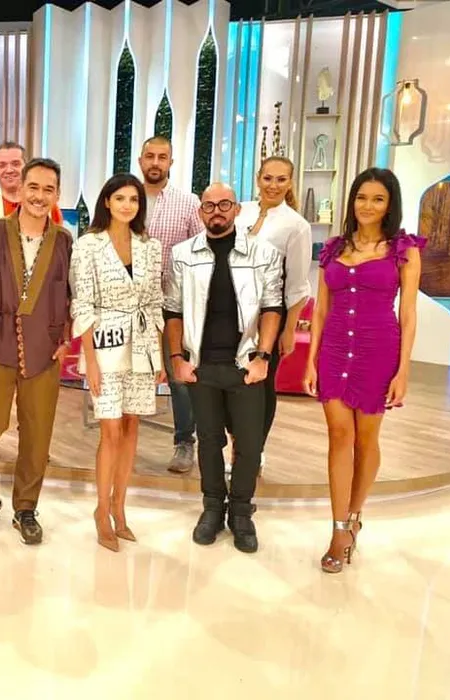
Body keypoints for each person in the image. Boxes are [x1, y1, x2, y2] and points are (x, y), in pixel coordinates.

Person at [303, 168, 424, 574]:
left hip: (378, 350)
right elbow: (321, 310)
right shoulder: (333, 249)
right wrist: (311, 359)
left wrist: (403, 370)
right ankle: (339, 529)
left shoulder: (403, 250)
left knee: (366, 440)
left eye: (378, 199)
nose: (367, 206)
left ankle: (355, 516)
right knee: (339, 436)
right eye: (361, 197)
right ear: (352, 200)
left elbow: (408, 314)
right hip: (336, 349)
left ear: (390, 206)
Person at [163, 183, 283, 554]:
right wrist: (177, 359)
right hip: (202, 365)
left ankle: (242, 511)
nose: (216, 211)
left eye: (224, 204)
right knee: (209, 440)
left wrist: (263, 357)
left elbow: (273, 307)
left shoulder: (263, 252)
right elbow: (173, 310)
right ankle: (213, 507)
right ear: (200, 211)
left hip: (246, 364)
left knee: (248, 444)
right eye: (209, 205)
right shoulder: (183, 254)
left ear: (236, 210)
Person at [0, 158, 72, 545]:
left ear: (57, 194)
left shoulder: (64, 241)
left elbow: (71, 294)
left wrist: (66, 340)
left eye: (48, 189)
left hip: (45, 350)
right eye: (34, 187)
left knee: (37, 433)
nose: (40, 196)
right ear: (20, 189)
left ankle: (26, 506)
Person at [70, 174, 165, 552]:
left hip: (142, 344)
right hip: (104, 343)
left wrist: (158, 354)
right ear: (107, 202)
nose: (127, 205)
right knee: (110, 429)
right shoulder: (88, 245)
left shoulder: (150, 246)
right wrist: (90, 361)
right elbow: (83, 303)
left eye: (134, 199)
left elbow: (155, 301)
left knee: (131, 426)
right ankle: (101, 509)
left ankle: (120, 508)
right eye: (120, 198)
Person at [233, 156, 312, 473]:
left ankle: (254, 450)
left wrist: (289, 329)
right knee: (233, 383)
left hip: (270, 314)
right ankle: (236, 445)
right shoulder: (241, 211)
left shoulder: (297, 226)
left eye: (281, 179)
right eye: (268, 178)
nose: (273, 185)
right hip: (232, 310)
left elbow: (297, 285)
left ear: (290, 183)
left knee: (260, 386)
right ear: (258, 178)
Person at [137, 136, 203, 475]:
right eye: (150, 156)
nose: (155, 162)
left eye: (162, 157)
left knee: (179, 375)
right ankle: (121, 437)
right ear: (140, 160)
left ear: (171, 163)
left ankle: (184, 442)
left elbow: (202, 250)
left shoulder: (188, 203)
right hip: (131, 304)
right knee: (128, 369)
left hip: (174, 305)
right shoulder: (126, 197)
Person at [0, 141, 64, 239]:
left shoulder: (48, 206)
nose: (9, 170)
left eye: (15, 164)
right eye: (2, 165)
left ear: (26, 169)